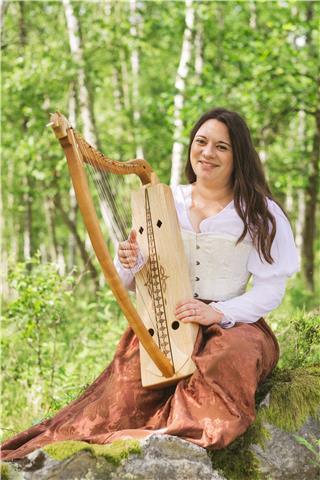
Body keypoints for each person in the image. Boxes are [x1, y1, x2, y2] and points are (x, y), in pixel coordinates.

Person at [1, 108, 299, 461]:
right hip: (166, 321)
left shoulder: (258, 211)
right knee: (120, 398)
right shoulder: (165, 200)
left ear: (239, 156)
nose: (207, 153)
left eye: (222, 147)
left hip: (232, 323)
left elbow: (270, 289)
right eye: (201, 142)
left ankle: (174, 436)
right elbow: (131, 281)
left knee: (226, 359)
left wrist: (217, 312)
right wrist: (130, 262)